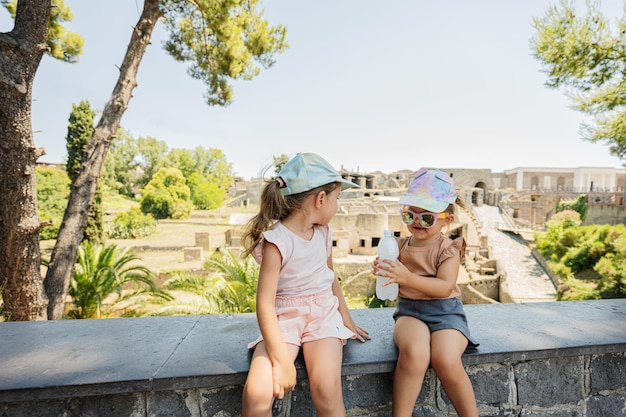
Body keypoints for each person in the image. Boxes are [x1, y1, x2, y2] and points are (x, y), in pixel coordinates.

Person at [241, 152, 370, 417]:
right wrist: (281, 361)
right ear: (320, 199)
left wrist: (346, 318)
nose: (337, 206)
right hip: (284, 320)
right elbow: (264, 304)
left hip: (323, 316)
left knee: (326, 390)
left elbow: (330, 276)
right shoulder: (277, 242)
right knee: (256, 395)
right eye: (337, 198)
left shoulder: (324, 232)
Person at [373, 168, 479, 417]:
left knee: (446, 359)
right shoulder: (397, 246)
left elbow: (444, 287)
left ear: (446, 220)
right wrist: (382, 270)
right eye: (410, 215)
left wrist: (408, 277)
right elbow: (389, 278)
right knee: (414, 353)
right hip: (411, 312)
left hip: (447, 314)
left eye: (427, 218)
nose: (417, 223)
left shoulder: (449, 249)